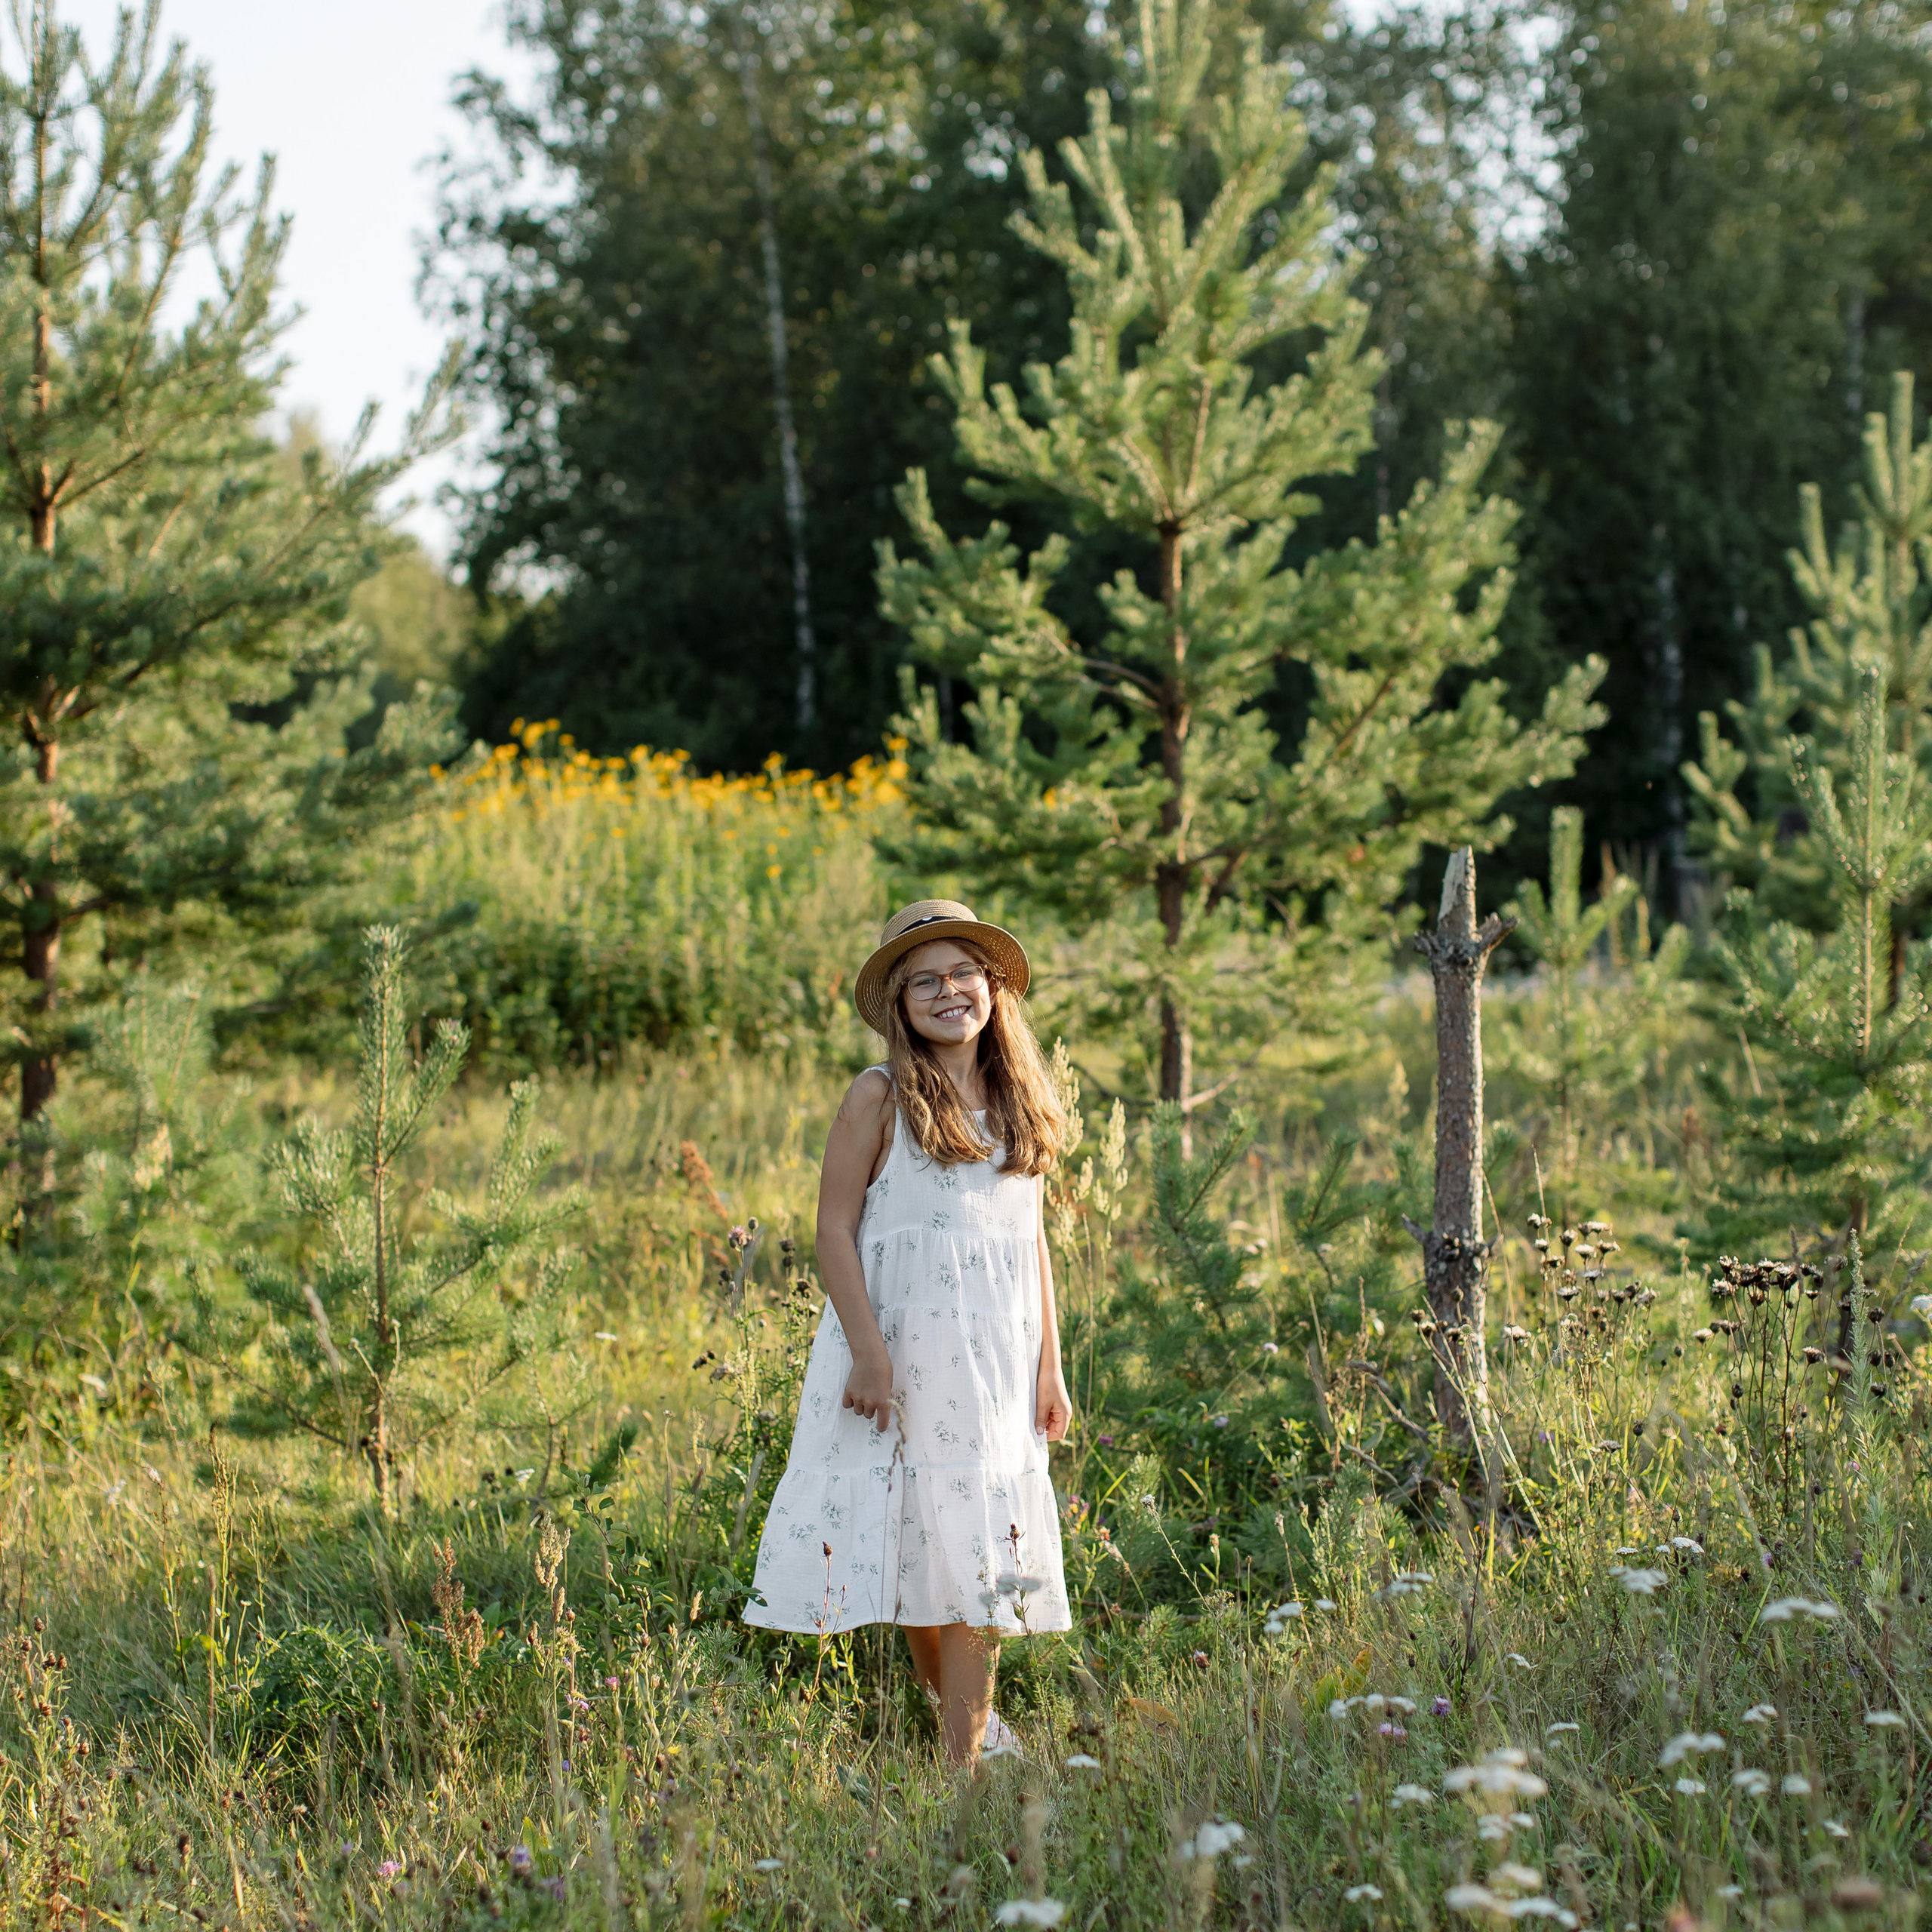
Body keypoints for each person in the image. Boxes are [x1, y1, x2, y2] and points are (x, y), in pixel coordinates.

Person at [743, 899, 1074, 1764]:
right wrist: (869, 1352)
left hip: (997, 1358)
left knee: (970, 1551)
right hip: (902, 1353)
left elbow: (1028, 1241)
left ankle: (963, 1757)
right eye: (923, 980)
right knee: (924, 1549)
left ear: (994, 989)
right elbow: (832, 1233)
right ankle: (968, 1743)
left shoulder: (1017, 1101)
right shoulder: (879, 1095)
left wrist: (1052, 1368)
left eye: (963, 973)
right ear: (899, 1002)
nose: (946, 991)